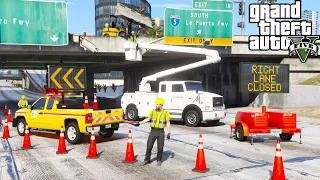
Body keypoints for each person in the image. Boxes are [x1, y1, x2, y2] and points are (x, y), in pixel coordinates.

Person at [132, 97, 171, 166]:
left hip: (161, 132)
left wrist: (169, 132)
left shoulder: (166, 113)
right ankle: (146, 160)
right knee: (149, 146)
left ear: (161, 105)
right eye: (156, 104)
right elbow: (148, 119)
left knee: (160, 147)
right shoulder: (153, 111)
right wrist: (139, 123)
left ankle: (159, 160)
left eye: (157, 104)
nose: (156, 105)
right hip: (153, 131)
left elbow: (168, 123)